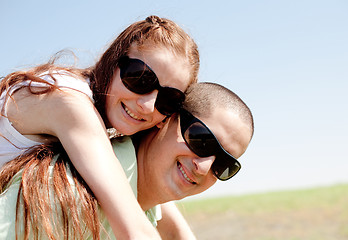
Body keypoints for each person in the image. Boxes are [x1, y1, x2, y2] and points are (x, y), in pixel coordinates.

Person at [0, 15, 199, 239]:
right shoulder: (71, 104)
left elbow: (176, 231)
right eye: (140, 78)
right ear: (113, 61)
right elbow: (132, 228)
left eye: (168, 100)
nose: (147, 105)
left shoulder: (105, 116)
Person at [0, 82, 254, 239]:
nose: (204, 166)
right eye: (201, 140)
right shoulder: (72, 191)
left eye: (223, 164)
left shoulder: (144, 206)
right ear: (165, 117)